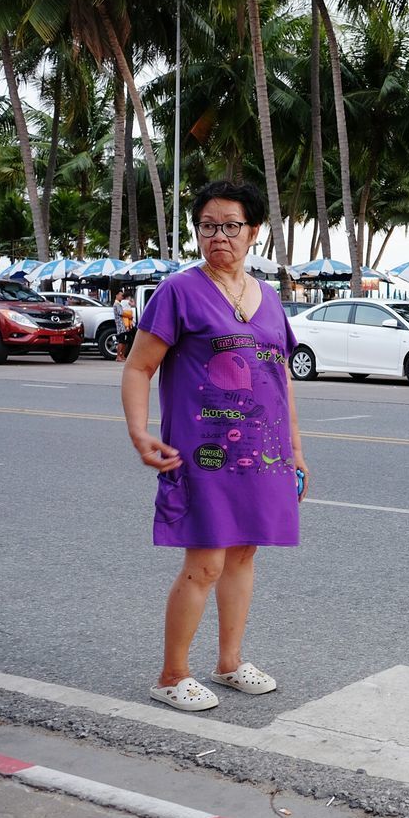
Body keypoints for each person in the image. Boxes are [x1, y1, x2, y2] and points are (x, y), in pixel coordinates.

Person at [121, 180, 309, 712]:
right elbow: (138, 368)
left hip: (264, 455)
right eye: (207, 226)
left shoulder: (268, 298)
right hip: (203, 454)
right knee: (204, 563)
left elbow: (281, 379)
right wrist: (140, 432)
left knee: (245, 555)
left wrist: (295, 450)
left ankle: (229, 663)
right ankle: (171, 674)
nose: (218, 235)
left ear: (253, 231)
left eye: (229, 225)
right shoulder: (179, 292)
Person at [113, 289, 135, 362]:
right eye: (120, 295)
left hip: (123, 325)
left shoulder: (119, 303)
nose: (121, 296)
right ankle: (119, 356)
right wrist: (130, 314)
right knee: (121, 341)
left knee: (125, 341)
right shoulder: (117, 304)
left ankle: (122, 356)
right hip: (121, 325)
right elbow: (121, 312)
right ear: (116, 295)